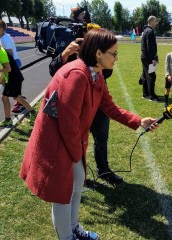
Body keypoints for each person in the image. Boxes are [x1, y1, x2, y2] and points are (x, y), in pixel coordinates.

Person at [20, 29, 158, 240]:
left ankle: (73, 228)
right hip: (57, 144)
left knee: (76, 183)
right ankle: (66, 237)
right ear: (98, 54)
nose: (116, 58)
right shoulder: (75, 75)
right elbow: (67, 125)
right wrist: (77, 156)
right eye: (113, 53)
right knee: (62, 194)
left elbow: (109, 107)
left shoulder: (95, 73)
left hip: (71, 142)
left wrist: (138, 121)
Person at [49, 12, 122, 184]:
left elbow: (107, 72)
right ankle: (76, 174)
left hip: (96, 100)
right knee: (74, 138)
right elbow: (53, 70)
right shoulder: (69, 44)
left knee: (101, 138)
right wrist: (66, 53)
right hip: (75, 105)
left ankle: (103, 170)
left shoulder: (101, 48)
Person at [0, 34, 36, 127]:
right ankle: (32, 112)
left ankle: (8, 120)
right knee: (17, 98)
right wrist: (0, 79)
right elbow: (4, 68)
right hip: (14, 78)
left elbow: (8, 69)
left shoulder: (1, 53)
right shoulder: (0, 51)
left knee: (5, 97)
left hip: (13, 78)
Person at [0, 19, 26, 113]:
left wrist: (2, 74)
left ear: (1, 28)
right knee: (6, 83)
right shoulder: (3, 37)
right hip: (13, 63)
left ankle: (20, 102)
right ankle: (19, 98)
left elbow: (9, 55)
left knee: (9, 83)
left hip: (13, 64)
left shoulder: (4, 39)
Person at [140, 16, 159, 101]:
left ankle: (145, 93)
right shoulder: (150, 31)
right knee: (151, 76)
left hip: (144, 56)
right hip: (148, 57)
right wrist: (153, 58)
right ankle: (151, 96)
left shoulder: (145, 31)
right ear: (151, 21)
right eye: (155, 21)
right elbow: (149, 46)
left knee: (145, 75)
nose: (156, 23)